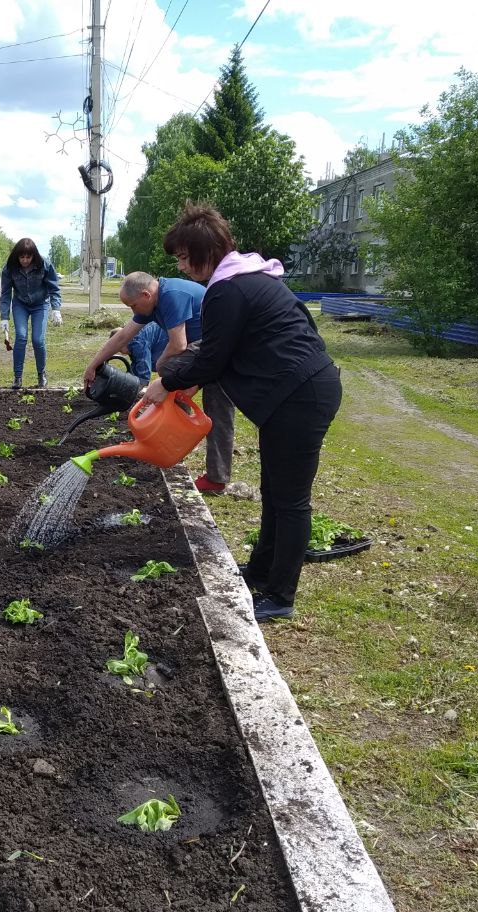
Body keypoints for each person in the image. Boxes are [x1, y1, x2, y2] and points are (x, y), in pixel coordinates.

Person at [141, 204, 342, 622]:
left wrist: (166, 382)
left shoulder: (228, 289)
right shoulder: (249, 277)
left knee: (291, 502)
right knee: (275, 491)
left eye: (182, 256)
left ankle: (281, 594)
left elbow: (212, 360)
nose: (180, 264)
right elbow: (295, 326)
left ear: (204, 250)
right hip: (296, 393)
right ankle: (261, 570)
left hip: (299, 397)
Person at [83, 271, 237, 494]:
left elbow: (178, 344)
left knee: (172, 372)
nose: (133, 311)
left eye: (133, 306)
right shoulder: (152, 303)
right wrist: (93, 365)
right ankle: (189, 456)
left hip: (222, 348)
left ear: (146, 294)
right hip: (208, 353)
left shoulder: (171, 295)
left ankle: (212, 474)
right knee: (210, 407)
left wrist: (162, 373)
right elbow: (122, 336)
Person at [0, 238, 62, 389]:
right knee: (21, 337)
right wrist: (4, 317)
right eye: (22, 257)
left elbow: (54, 288)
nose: (25, 260)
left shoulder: (44, 265)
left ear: (34, 255)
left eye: (28, 257)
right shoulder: (9, 268)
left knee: (38, 340)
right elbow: (6, 293)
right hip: (20, 304)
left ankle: (41, 374)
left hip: (40, 304)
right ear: (17, 256)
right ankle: (17, 377)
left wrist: (56, 309)